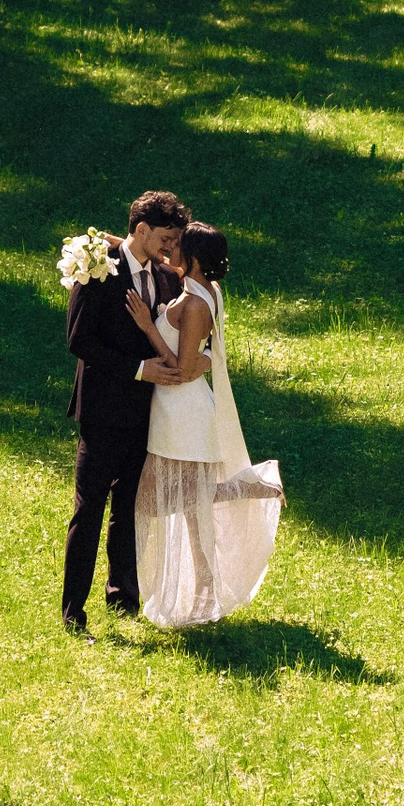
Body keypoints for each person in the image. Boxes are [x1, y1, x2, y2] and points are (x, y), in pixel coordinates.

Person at [122, 222, 282, 629]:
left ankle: (248, 488)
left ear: (192, 257)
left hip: (182, 414)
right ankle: (205, 592)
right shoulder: (209, 290)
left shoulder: (194, 304)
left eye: (177, 245)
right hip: (182, 410)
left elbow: (181, 369)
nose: (169, 250)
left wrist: (147, 326)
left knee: (154, 504)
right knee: (193, 511)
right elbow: (205, 355)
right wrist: (115, 241)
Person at [61, 191, 191, 635]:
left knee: (131, 509)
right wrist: (139, 369)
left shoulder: (166, 277)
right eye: (166, 238)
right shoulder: (97, 268)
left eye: (175, 240)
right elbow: (79, 340)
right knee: (89, 511)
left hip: (147, 414)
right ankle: (73, 612)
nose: (171, 247)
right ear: (141, 229)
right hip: (101, 411)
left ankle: (123, 599)